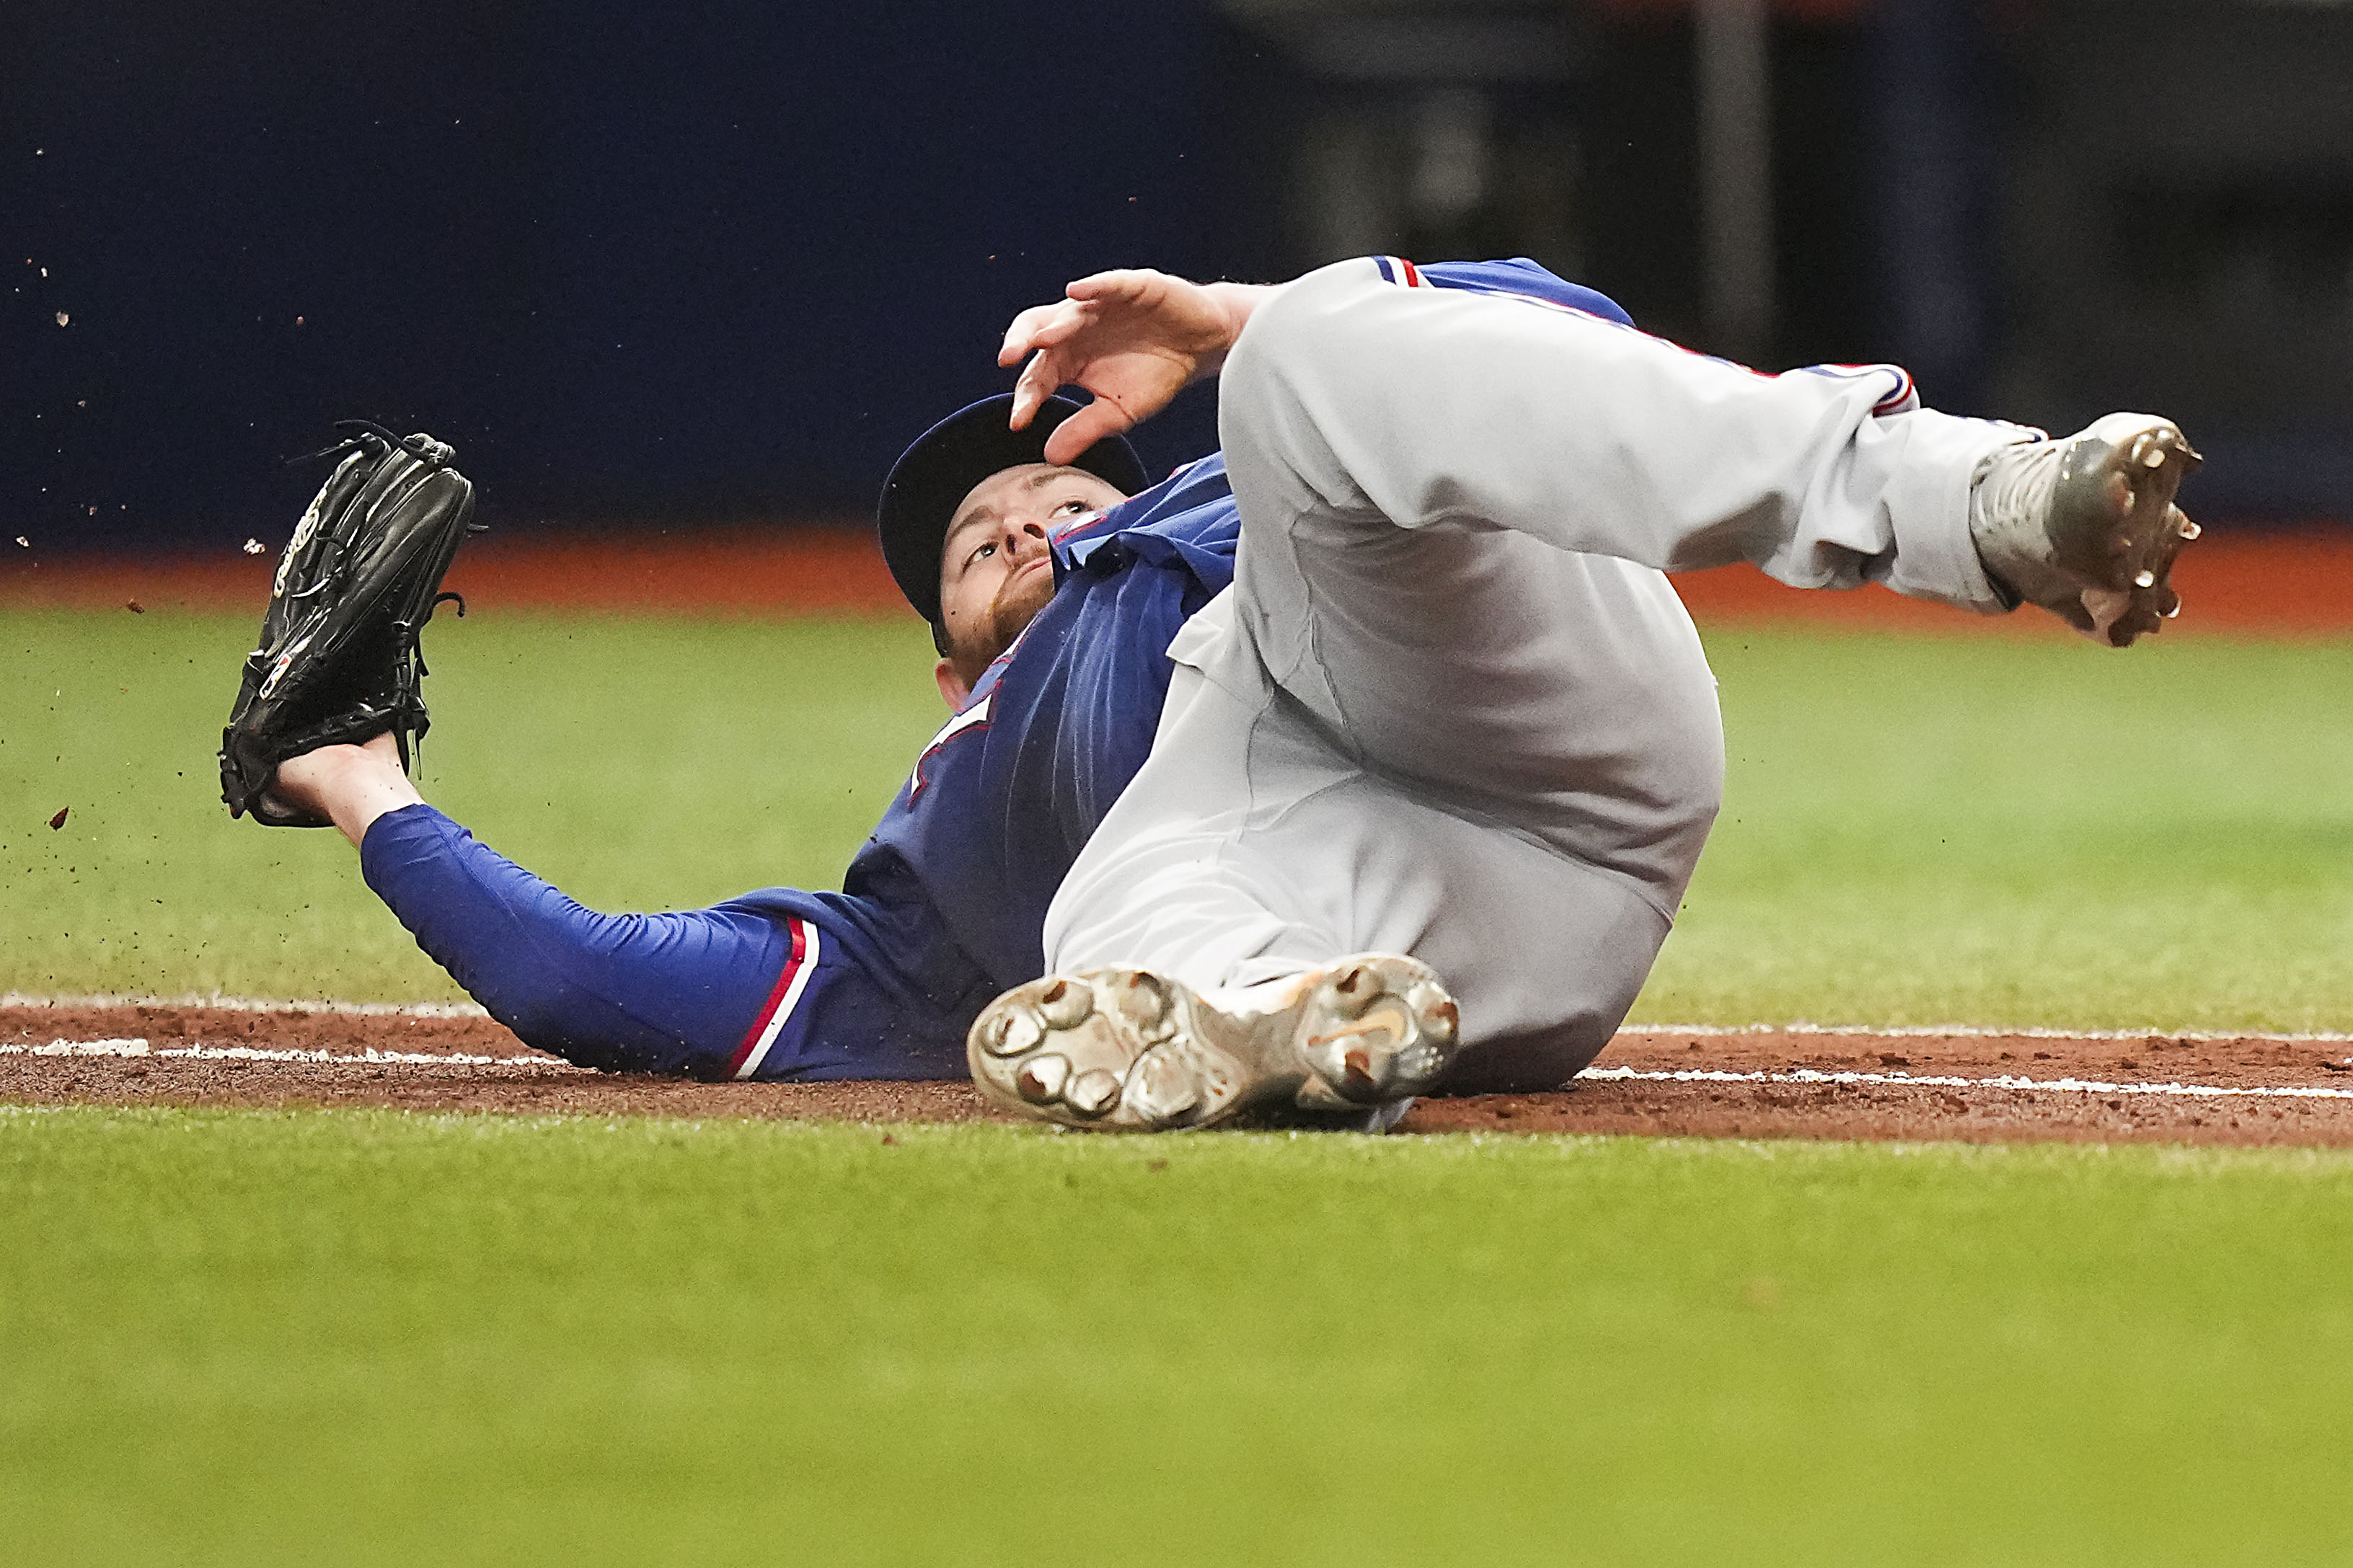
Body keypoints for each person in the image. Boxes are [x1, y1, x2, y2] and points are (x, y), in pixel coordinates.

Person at [270, 254, 2201, 1132]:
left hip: (1534, 716)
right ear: (946, 664)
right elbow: (603, 983)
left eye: (1049, 475)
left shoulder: (1220, 502)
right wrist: (358, 783)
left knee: (1312, 370)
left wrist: (1233, 325)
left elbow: (1554, 335)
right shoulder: (927, 866)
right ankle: (1277, 1036)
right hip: (1443, 942)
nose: (1026, 499)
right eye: (978, 528)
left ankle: (1978, 498)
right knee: (1090, 934)